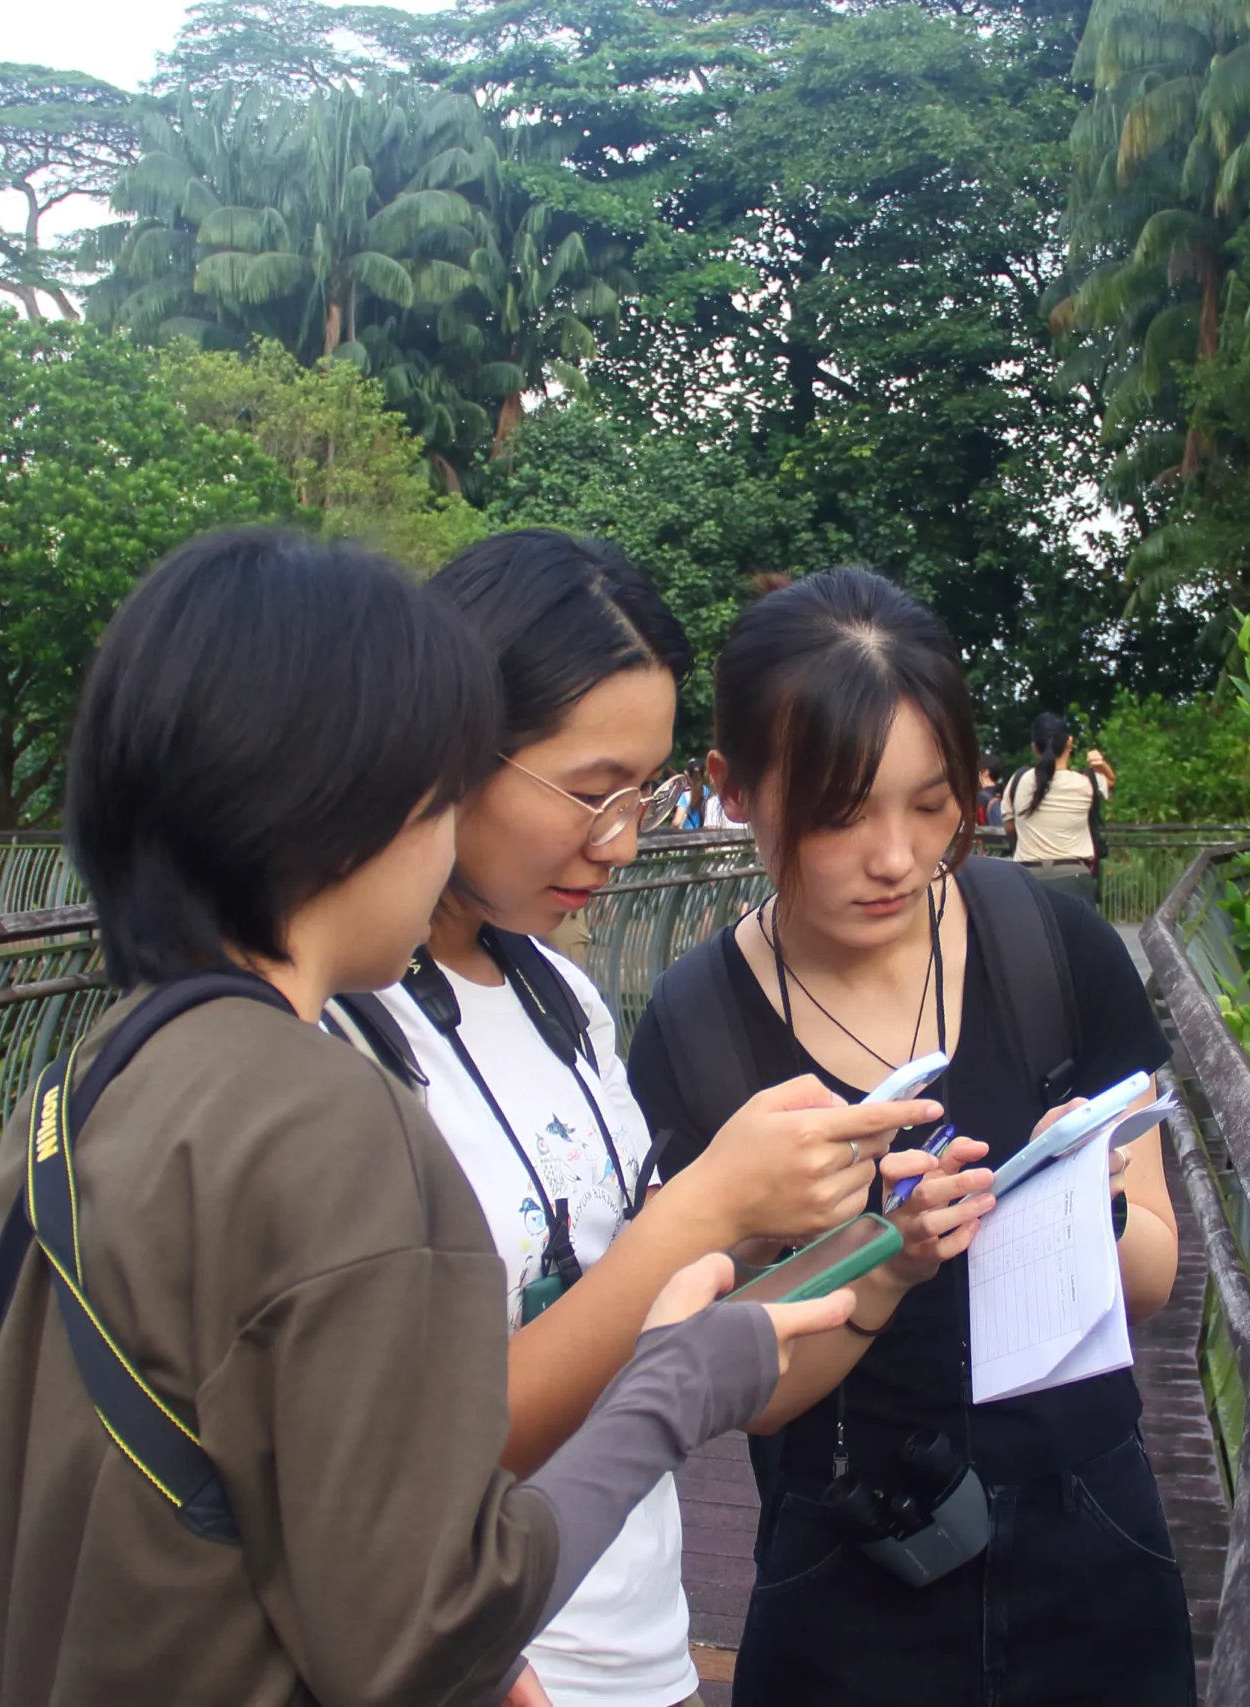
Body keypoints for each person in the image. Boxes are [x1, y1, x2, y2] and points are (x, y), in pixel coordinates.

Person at [0, 529, 853, 1707]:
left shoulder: (71, 1093)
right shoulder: (332, 1114)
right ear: (345, 799)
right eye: (436, 788)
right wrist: (682, 1379)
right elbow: (420, 1629)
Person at [339, 529, 966, 1707]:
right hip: (484, 1662)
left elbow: (689, 1360)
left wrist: (875, 1254)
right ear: (444, 748)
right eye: (590, 795)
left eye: (642, 793)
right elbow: (413, 1459)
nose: (623, 839)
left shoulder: (561, 998)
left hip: (642, 1646)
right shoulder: (332, 1037)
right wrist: (705, 1208)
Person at [627, 568, 1194, 1707]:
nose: (896, 857)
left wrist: (1086, 1194)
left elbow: (1152, 1276)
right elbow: (744, 1387)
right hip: (851, 1556)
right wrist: (883, 1256)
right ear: (733, 790)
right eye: (841, 814)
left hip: (1089, 1535)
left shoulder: (1054, 953)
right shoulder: (697, 1031)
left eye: (933, 804)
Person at [1000, 712, 1116, 909]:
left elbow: (1009, 828)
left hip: (1027, 879)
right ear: (1069, 742)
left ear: (1034, 747)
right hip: (1074, 878)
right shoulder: (1086, 783)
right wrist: (1100, 763)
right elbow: (1111, 781)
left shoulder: (1018, 781)